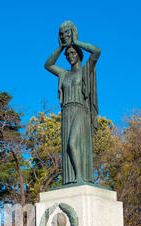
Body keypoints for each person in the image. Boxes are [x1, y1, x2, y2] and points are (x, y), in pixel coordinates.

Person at [45, 21, 101, 184]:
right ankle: (72, 179)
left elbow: (97, 51)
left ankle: (80, 177)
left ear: (79, 54)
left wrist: (75, 42)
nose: (70, 56)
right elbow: (48, 65)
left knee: (72, 144)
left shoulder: (85, 70)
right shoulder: (64, 73)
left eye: (73, 53)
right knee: (67, 149)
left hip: (80, 111)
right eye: (68, 54)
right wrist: (62, 47)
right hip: (66, 112)